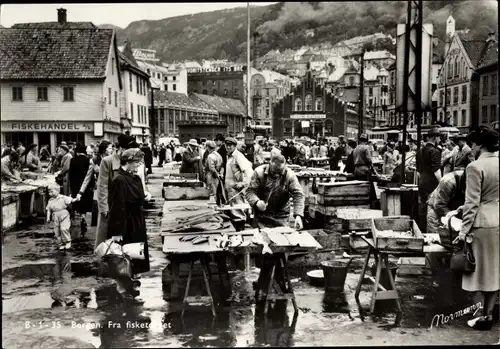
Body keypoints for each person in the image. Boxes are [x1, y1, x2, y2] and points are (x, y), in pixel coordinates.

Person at [453, 127, 499, 330]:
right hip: (497, 220)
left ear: (480, 144)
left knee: (477, 273)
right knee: (493, 271)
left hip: (480, 225)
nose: (471, 148)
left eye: (472, 144)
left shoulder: (474, 167)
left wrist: (462, 233)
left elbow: (472, 203)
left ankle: (478, 316)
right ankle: (488, 316)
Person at [107, 148, 151, 302]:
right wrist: (117, 231)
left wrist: (145, 197)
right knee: (123, 259)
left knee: (135, 256)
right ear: (128, 162)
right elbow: (117, 207)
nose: (138, 166)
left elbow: (139, 197)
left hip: (137, 221)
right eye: (136, 163)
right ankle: (123, 290)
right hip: (125, 223)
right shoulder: (119, 180)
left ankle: (131, 288)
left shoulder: (135, 178)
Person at [95, 134, 135, 249]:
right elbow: (102, 186)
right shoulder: (107, 161)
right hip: (111, 207)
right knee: (106, 243)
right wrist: (103, 209)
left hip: (125, 206)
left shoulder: (130, 161)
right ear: (122, 149)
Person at [246, 154, 305, 229]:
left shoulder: (289, 175)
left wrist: (298, 215)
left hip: (281, 216)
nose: (277, 175)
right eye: (274, 172)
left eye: (280, 172)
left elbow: (298, 195)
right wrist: (257, 202)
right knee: (259, 239)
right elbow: (250, 191)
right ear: (270, 164)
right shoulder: (259, 172)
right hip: (261, 216)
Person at [78, 140, 113, 228]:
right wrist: (81, 192)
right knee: (99, 212)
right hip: (98, 189)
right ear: (104, 150)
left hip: (111, 189)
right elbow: (88, 177)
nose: (111, 150)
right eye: (110, 148)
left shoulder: (113, 159)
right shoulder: (94, 160)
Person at [416, 127, 442, 234]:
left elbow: (418, 171)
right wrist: (442, 184)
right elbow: (436, 171)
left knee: (423, 206)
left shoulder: (419, 151)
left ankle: (421, 231)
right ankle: (431, 232)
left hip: (422, 182)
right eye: (439, 138)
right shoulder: (435, 151)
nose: (440, 140)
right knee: (432, 208)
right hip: (432, 184)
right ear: (435, 138)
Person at [224, 137, 254, 229]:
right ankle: (238, 227)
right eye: (227, 145)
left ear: (234, 146)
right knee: (234, 208)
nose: (228, 147)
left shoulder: (238, 156)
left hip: (236, 188)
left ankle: (240, 229)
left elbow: (248, 171)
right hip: (230, 188)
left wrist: (243, 183)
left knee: (238, 208)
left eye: (230, 145)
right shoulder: (229, 155)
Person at [69, 143, 93, 238]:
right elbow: (90, 175)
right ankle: (83, 216)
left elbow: (71, 174)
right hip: (86, 186)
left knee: (78, 203)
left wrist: (71, 187)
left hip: (75, 185)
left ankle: (79, 216)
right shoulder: (88, 160)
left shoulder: (73, 160)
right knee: (85, 202)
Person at [46, 183, 79, 250]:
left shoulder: (63, 197)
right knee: (57, 231)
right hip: (55, 216)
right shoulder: (50, 201)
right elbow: (48, 210)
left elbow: (71, 200)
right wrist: (48, 217)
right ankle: (61, 243)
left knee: (64, 228)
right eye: (49, 192)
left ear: (58, 191)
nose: (50, 193)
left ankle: (68, 241)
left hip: (64, 214)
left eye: (52, 191)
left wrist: (76, 199)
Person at [204, 141, 224, 205]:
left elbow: (211, 168)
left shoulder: (210, 156)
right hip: (218, 173)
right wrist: (220, 174)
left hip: (212, 175)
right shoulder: (218, 155)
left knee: (213, 190)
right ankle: (218, 203)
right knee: (217, 189)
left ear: (208, 147)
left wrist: (216, 175)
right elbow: (222, 165)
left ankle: (216, 204)